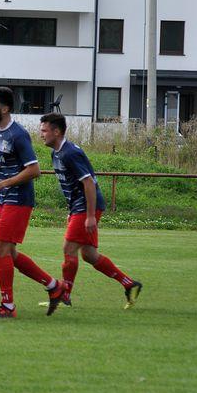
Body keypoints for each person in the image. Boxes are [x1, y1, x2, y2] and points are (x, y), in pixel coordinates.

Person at [0, 87, 65, 318]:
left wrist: (1, 184)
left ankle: (8, 306)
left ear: (5, 109)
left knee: (1, 250)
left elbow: (34, 170)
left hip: (18, 199)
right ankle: (54, 286)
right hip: (6, 199)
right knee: (8, 252)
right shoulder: (0, 131)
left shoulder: (18, 134)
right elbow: (4, 159)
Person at [38, 112, 142, 309]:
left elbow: (88, 183)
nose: (41, 134)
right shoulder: (56, 153)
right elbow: (72, 184)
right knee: (89, 254)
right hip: (78, 207)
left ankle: (64, 295)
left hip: (86, 207)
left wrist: (90, 215)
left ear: (57, 131)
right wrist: (71, 210)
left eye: (44, 130)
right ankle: (129, 284)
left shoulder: (70, 153)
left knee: (69, 248)